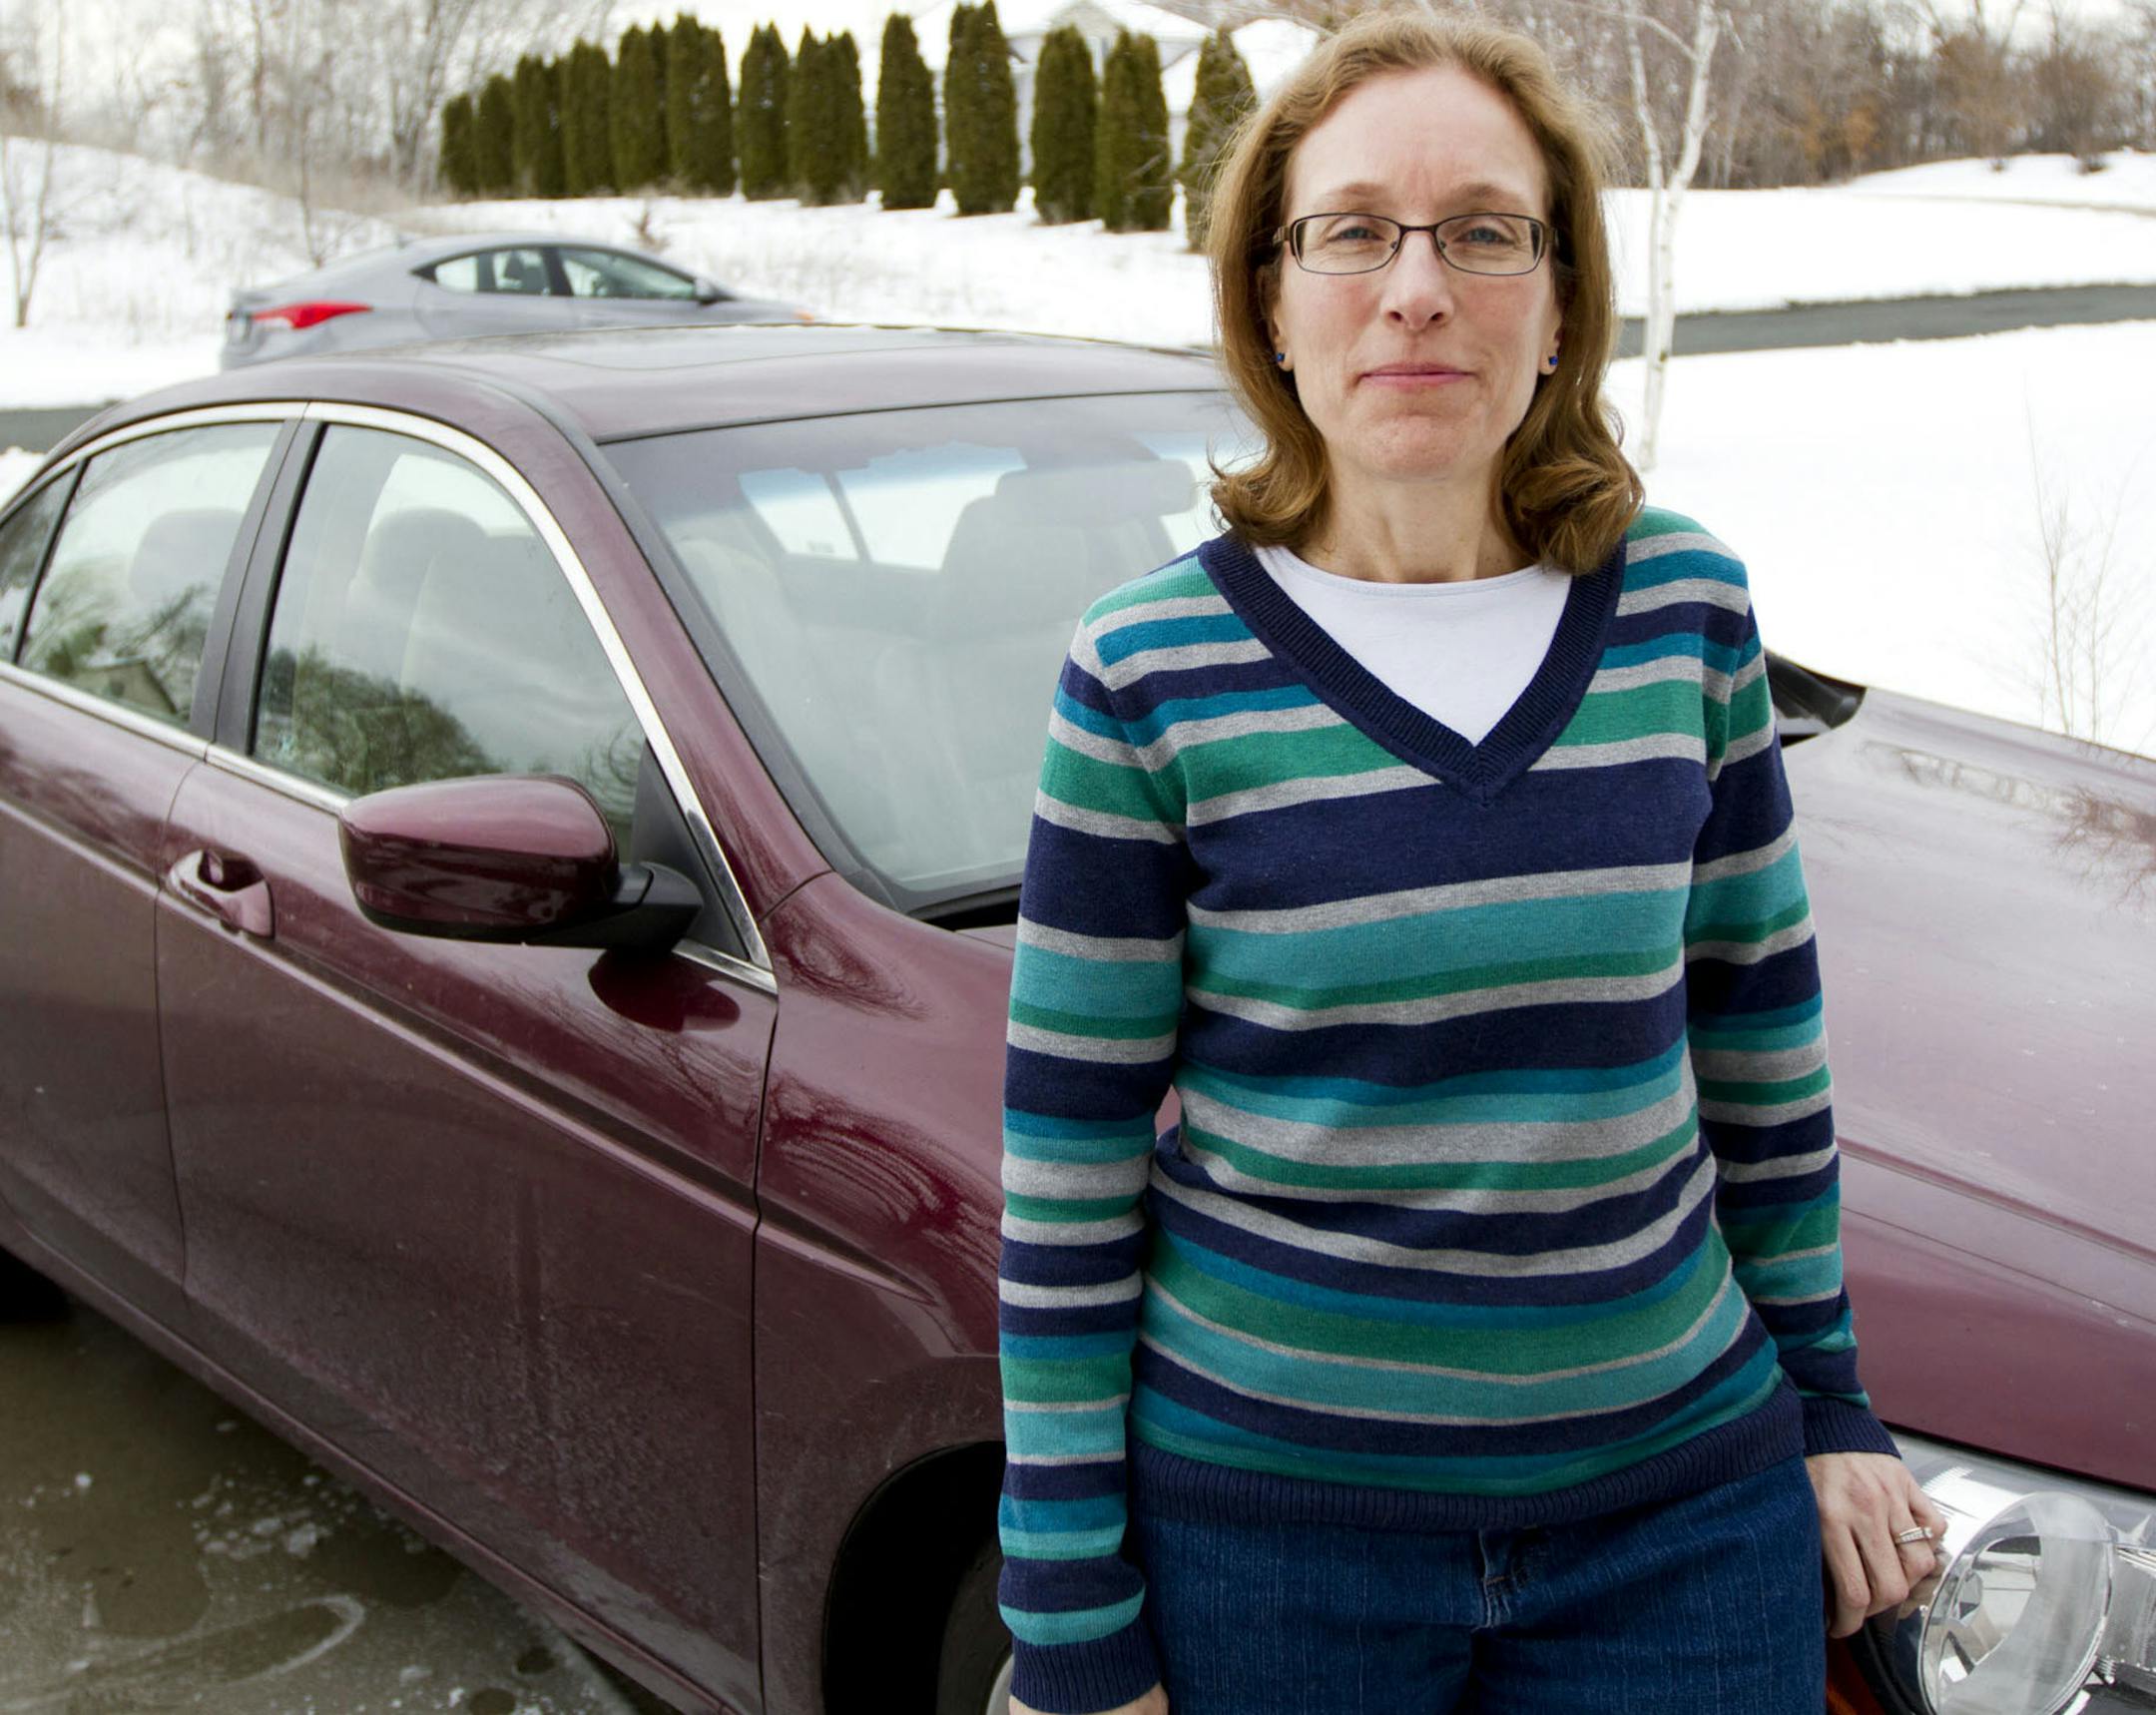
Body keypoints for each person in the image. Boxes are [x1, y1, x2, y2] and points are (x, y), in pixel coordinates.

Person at [994, 11, 1944, 1715]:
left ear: (1560, 296)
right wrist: (1070, 1610)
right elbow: (1070, 1179)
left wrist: (1829, 1402)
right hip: (1277, 1550)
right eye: (1353, 230)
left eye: (1482, 231)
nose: (1416, 287)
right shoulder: (1146, 670)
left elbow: (1761, 1062)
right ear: (1272, 300)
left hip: (1679, 1526)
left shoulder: (1682, 612)